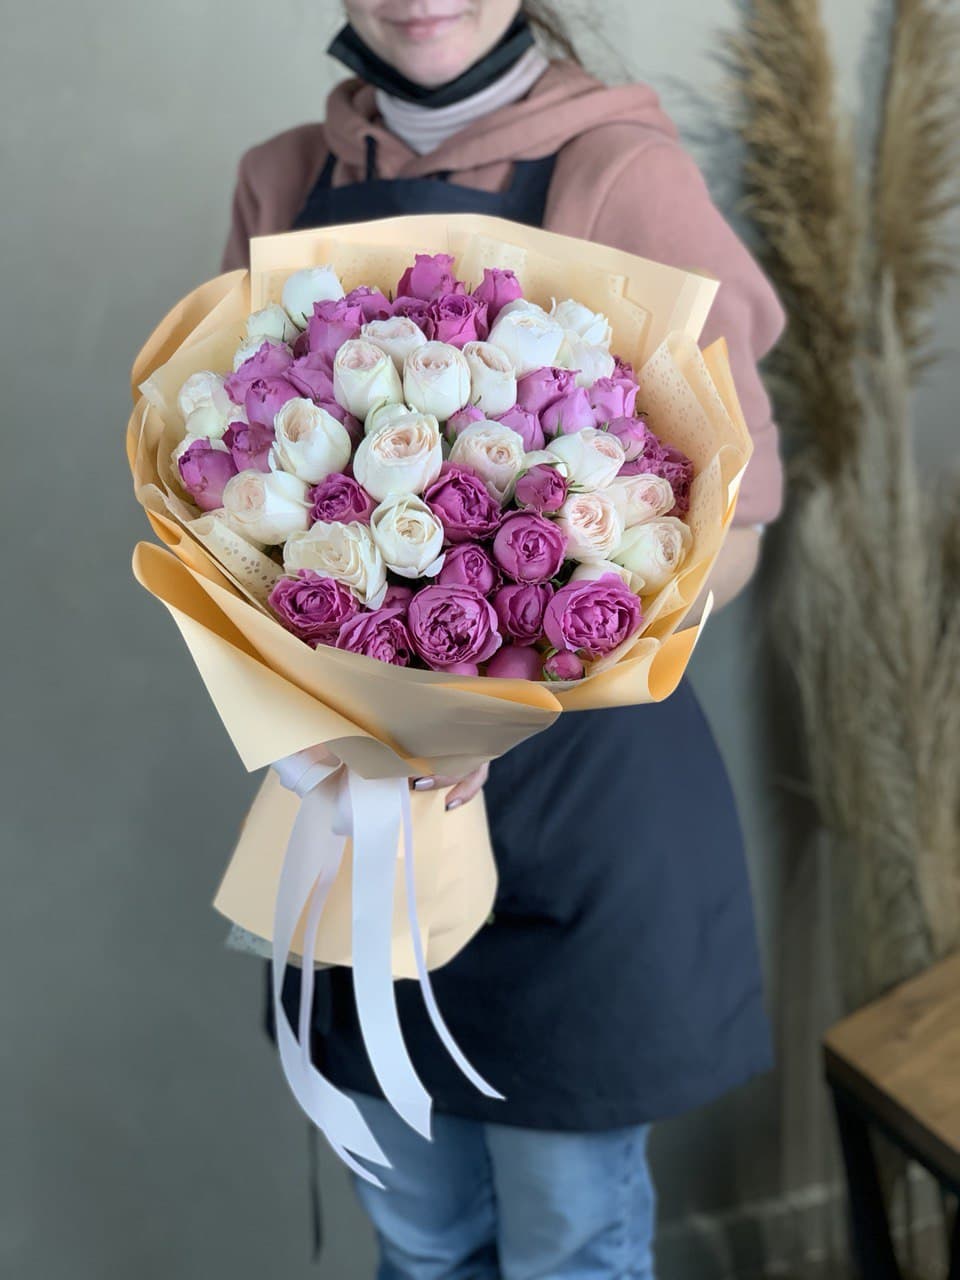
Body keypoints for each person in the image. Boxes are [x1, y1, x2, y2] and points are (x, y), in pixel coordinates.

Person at [221, 3, 785, 1276]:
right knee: (419, 1243)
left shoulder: (621, 173)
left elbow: (738, 528)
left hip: (581, 819)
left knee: (568, 1246)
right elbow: (228, 507)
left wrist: (515, 685)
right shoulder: (282, 177)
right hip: (362, 820)